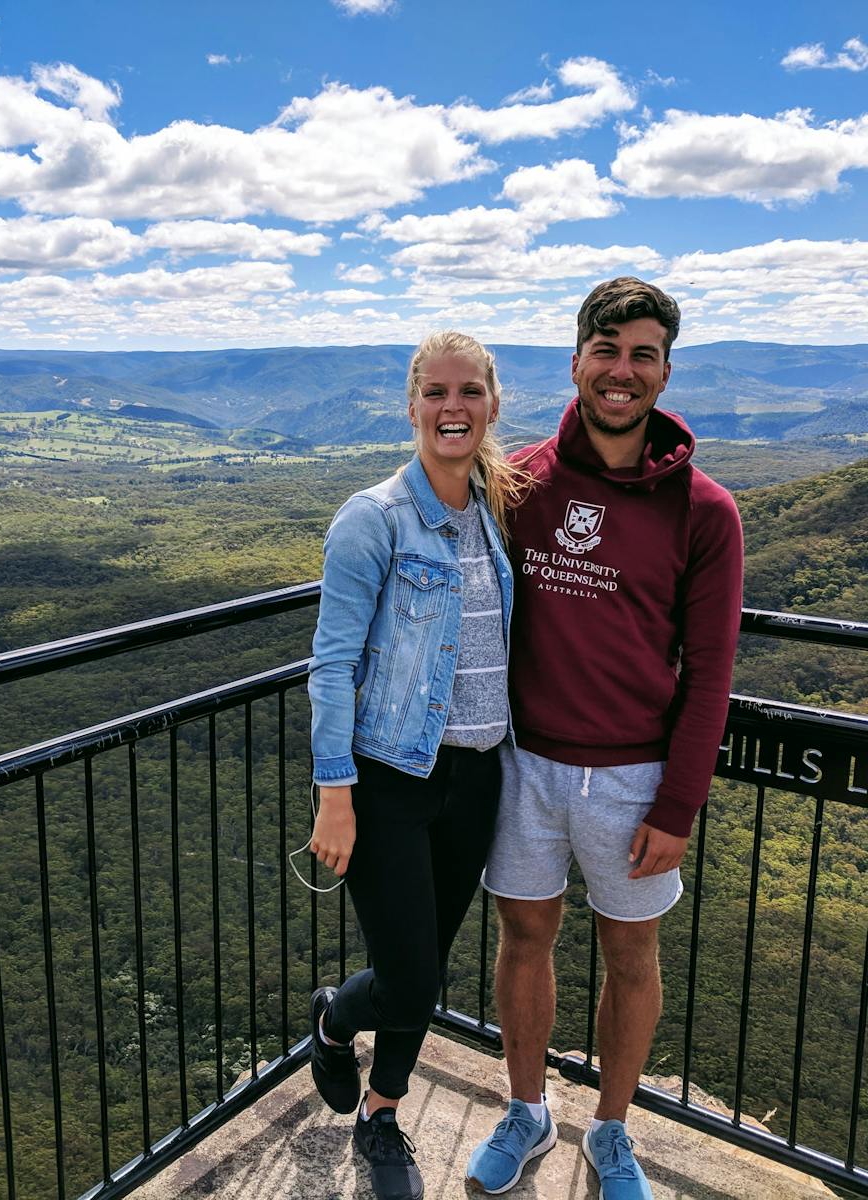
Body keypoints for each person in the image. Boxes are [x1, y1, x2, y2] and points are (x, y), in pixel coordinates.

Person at [465, 278, 744, 1199]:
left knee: (631, 957)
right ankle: (528, 1110)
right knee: (523, 938)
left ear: (665, 371)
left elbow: (710, 671)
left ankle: (613, 1128)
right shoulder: (520, 480)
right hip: (524, 764)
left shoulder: (705, 511)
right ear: (577, 360)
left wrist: (679, 804)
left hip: (635, 777)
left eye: (642, 355)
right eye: (607, 350)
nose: (622, 371)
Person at [306, 331, 527, 1200]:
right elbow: (332, 664)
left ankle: (381, 1111)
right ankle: (334, 1020)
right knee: (408, 980)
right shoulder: (374, 518)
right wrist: (335, 794)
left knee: (426, 970)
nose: (452, 407)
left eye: (469, 391)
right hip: (390, 778)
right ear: (412, 407)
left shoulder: (496, 509)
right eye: (436, 392)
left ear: (492, 405)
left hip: (479, 775)